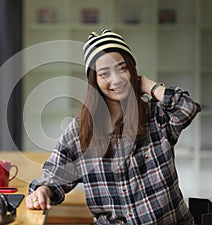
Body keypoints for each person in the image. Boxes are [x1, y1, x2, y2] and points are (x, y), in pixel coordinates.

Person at [25, 29, 201, 224]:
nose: (116, 79)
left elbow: (188, 107)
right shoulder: (79, 132)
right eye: (104, 73)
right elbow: (54, 177)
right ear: (95, 81)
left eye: (122, 68)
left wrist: (148, 85)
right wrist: (42, 191)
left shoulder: (156, 116)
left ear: (133, 70)